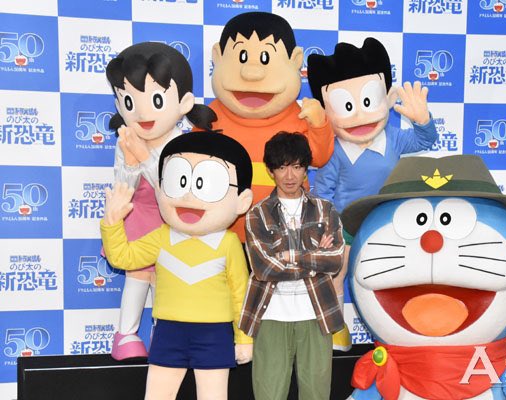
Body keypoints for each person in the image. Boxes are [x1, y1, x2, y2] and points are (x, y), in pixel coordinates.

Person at [307, 38, 438, 351]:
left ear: (387, 98)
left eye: (368, 101)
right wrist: (326, 228)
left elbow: (424, 141)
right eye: (345, 106)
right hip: (345, 228)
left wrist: (423, 121)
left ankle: (392, 331)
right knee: (336, 275)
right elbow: (322, 193)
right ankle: (335, 331)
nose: (359, 116)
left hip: (387, 225)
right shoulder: (335, 151)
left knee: (387, 276)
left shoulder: (393, 138)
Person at [101, 131, 253, 400]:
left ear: (242, 201)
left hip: (214, 333)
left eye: (205, 184)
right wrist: (112, 223)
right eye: (180, 181)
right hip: (168, 332)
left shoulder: (228, 243)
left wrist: (244, 339)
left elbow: (241, 293)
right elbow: (123, 258)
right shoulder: (162, 237)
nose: (189, 197)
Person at [104, 41, 216, 360]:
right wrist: (130, 162)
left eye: (155, 100)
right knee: (137, 274)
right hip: (137, 217)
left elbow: (173, 189)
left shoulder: (183, 143)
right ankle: (125, 334)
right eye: (129, 101)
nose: (142, 113)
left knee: (166, 277)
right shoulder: (126, 140)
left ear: (184, 103)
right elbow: (123, 187)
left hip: (174, 221)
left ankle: (162, 334)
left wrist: (144, 157)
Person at [208, 11, 334, 241]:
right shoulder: (211, 116)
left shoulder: (299, 115)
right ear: (218, 57)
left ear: (295, 61)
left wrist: (318, 124)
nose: (251, 73)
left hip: (285, 233)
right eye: (242, 57)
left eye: (265, 58)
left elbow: (319, 157)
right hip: (225, 233)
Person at [240, 132, 345, 400]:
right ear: (270, 170)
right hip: (271, 315)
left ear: (306, 169)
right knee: (268, 395)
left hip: (316, 313)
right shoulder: (257, 214)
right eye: (282, 167)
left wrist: (288, 256)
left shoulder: (325, 210)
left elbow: (334, 260)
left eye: (297, 167)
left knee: (316, 394)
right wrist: (313, 256)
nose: (290, 176)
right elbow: (264, 267)